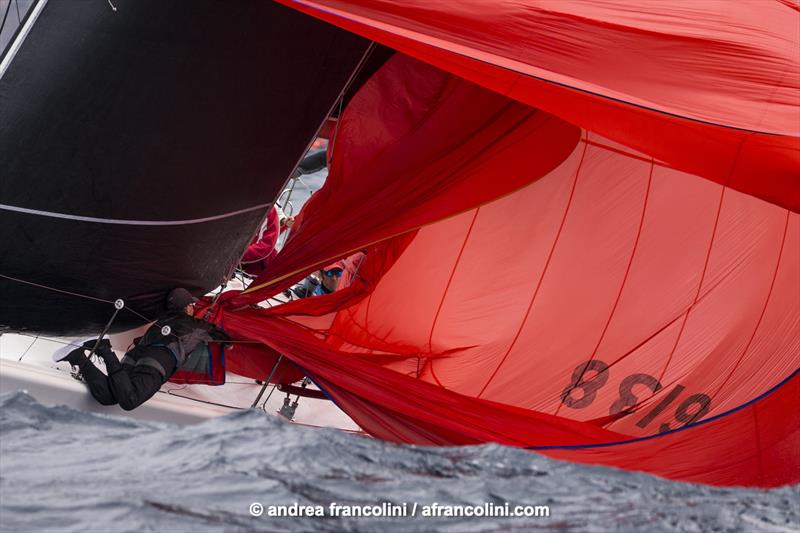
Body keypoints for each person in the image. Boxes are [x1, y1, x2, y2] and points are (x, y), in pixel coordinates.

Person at [55, 288, 228, 410]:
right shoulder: (195, 324)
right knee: (130, 400)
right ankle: (104, 347)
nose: (194, 308)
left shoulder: (160, 321)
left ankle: (77, 357)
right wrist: (229, 343)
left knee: (109, 397)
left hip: (136, 355)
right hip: (158, 360)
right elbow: (220, 334)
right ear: (187, 307)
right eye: (192, 305)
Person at [240, 205, 294, 277]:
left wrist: (236, 255)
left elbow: (266, 246)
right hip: (241, 263)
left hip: (261, 267)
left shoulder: (269, 209)